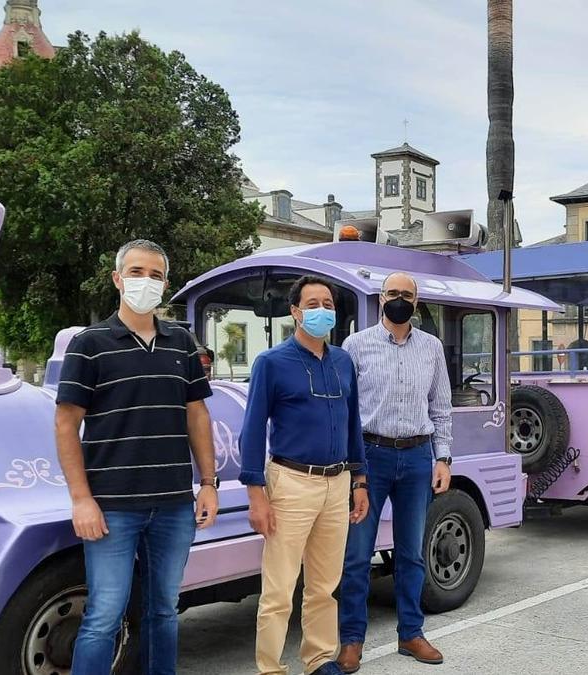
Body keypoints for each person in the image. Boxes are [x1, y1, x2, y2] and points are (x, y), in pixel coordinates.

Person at [55, 239, 219, 675]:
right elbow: (66, 423)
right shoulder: (89, 344)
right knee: (104, 616)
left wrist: (208, 483)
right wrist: (81, 499)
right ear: (116, 279)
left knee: (164, 609)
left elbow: (197, 415)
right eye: (136, 272)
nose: (145, 282)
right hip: (111, 507)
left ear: (166, 284)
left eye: (155, 275)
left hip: (172, 505)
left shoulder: (181, 343)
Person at [239, 275, 370, 675]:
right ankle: (271, 667)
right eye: (312, 304)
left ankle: (318, 660)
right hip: (290, 482)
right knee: (279, 589)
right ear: (295, 312)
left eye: (327, 303)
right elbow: (253, 428)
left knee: (324, 586)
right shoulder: (271, 363)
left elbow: (353, 424)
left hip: (337, 484)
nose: (321, 310)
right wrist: (256, 494)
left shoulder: (343, 361)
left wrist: (359, 480)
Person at [337, 271, 452, 672]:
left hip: (419, 456)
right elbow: (347, 411)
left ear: (416, 303)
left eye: (407, 294)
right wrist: (353, 468)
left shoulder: (432, 347)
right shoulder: (356, 345)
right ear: (380, 298)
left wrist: (443, 458)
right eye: (393, 293)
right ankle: (351, 640)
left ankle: (411, 633)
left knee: (411, 553)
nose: (399, 299)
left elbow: (440, 407)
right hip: (371, 456)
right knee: (356, 556)